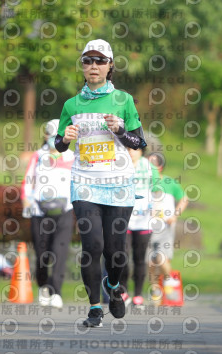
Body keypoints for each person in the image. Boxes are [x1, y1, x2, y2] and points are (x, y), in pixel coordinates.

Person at [55, 38, 146, 327]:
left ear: (110, 66)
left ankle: (115, 284)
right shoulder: (71, 104)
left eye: (99, 61)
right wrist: (65, 139)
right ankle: (95, 306)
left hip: (119, 183)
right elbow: (59, 144)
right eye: (88, 60)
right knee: (92, 246)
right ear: (82, 66)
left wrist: (120, 129)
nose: (93, 66)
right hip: (84, 183)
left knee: (115, 251)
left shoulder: (124, 100)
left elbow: (139, 140)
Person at [21, 119, 75, 309]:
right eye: (51, 135)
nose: (54, 139)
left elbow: (77, 182)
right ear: (45, 136)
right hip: (39, 211)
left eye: (58, 136)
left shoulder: (71, 157)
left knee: (60, 252)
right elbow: (28, 179)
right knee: (42, 253)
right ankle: (44, 286)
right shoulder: (38, 155)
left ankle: (57, 292)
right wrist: (26, 199)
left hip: (65, 210)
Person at [119, 146, 160, 308]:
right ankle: (123, 291)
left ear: (141, 151)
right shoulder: (120, 164)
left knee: (139, 258)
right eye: (128, 148)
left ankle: (137, 295)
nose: (131, 152)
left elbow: (157, 190)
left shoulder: (149, 166)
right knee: (123, 255)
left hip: (144, 218)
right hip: (125, 217)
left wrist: (156, 208)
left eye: (135, 149)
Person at [147, 152, 188, 305]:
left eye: (152, 164)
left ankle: (170, 281)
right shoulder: (143, 182)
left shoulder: (170, 182)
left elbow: (184, 198)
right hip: (148, 225)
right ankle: (155, 291)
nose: (149, 167)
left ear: (160, 167)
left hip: (166, 225)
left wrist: (175, 215)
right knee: (150, 261)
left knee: (161, 257)